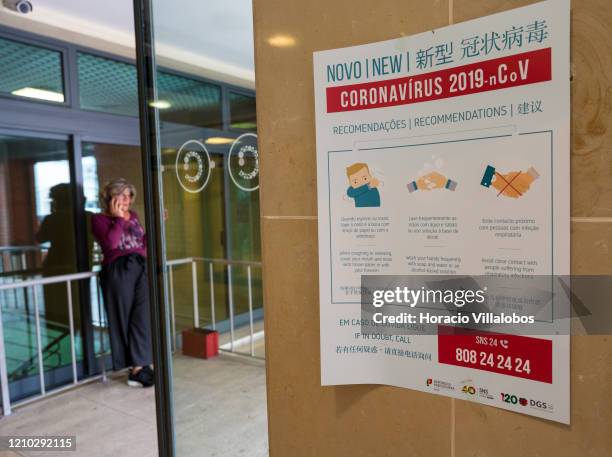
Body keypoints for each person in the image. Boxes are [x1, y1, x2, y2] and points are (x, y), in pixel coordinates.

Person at [92, 178, 154, 388]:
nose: (127, 199)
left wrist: (156, 227)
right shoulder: (98, 219)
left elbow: (143, 244)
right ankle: (135, 369)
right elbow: (110, 245)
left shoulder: (134, 216)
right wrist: (118, 219)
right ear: (110, 198)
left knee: (141, 316)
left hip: (140, 266)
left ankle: (142, 363)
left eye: (129, 195)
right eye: (122, 195)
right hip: (118, 269)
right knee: (123, 318)